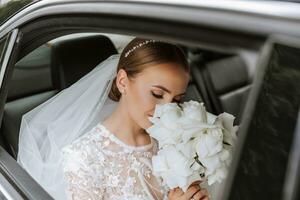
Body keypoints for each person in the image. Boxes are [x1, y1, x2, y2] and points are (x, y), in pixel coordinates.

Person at [17, 37, 210, 200]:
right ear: (122, 81)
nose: (167, 110)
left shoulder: (180, 140)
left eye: (177, 100)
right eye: (157, 94)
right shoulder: (83, 159)